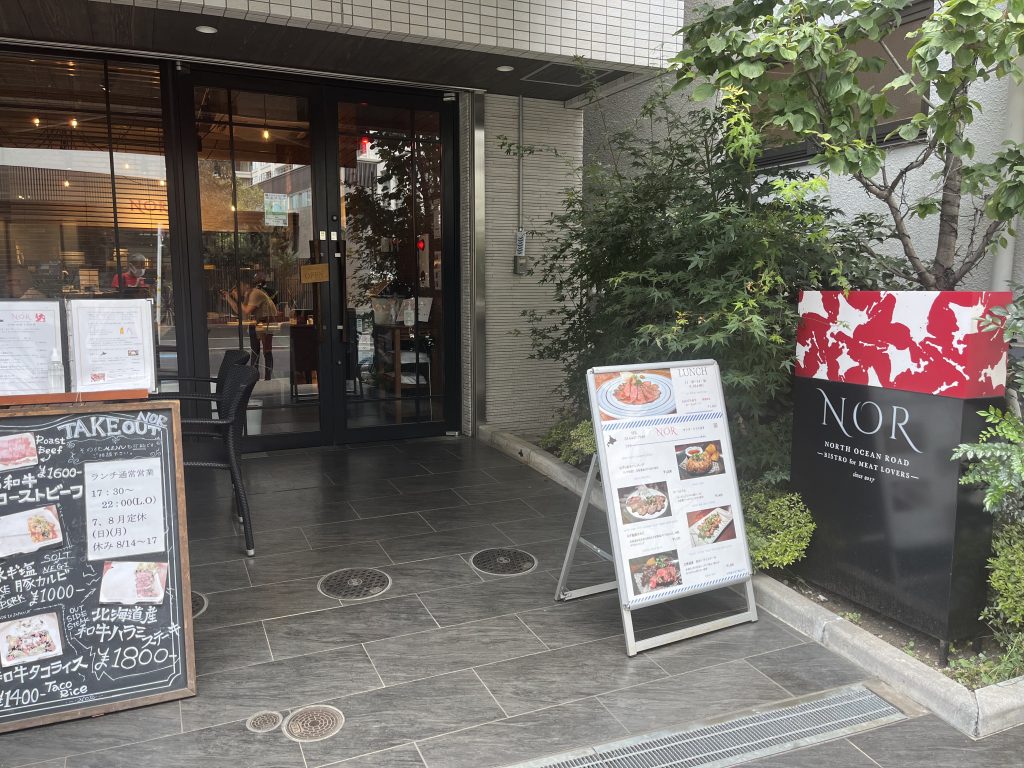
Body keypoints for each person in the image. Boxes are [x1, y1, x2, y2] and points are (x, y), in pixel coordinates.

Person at [221, 277, 277, 380]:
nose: (236, 289)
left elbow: (246, 310)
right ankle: (253, 377)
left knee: (266, 350)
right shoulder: (247, 295)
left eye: (239, 286)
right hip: (256, 322)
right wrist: (229, 298)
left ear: (246, 285)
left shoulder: (255, 293)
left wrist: (237, 298)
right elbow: (239, 310)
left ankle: (268, 378)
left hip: (266, 321)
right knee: (255, 351)